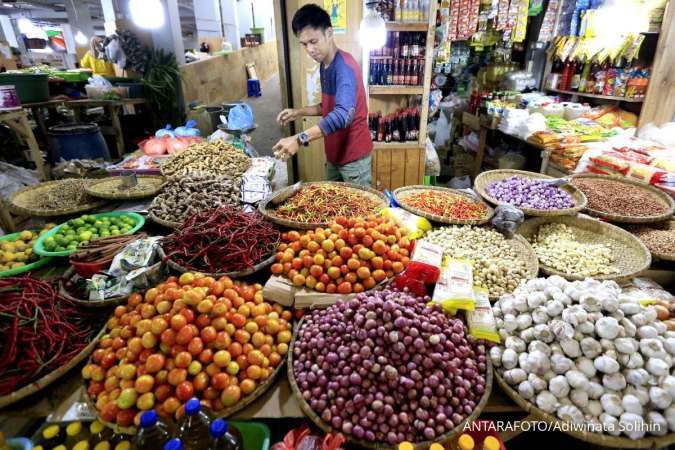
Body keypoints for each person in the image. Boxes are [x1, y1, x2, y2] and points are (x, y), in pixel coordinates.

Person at [273, 4, 373, 186]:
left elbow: (343, 115)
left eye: (313, 41)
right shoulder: (324, 64)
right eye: (304, 44)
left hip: (354, 159)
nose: (310, 49)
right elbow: (327, 106)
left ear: (329, 33)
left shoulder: (344, 67)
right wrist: (298, 112)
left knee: (358, 212)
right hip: (334, 155)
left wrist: (299, 138)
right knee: (332, 206)